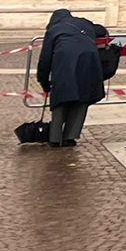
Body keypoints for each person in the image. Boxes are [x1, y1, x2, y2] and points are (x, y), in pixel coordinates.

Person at [37, 8, 109, 147]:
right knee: (83, 99)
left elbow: (45, 60)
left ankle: (55, 138)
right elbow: (101, 30)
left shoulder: (54, 30)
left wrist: (44, 82)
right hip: (89, 65)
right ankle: (70, 137)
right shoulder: (84, 23)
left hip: (65, 67)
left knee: (60, 101)